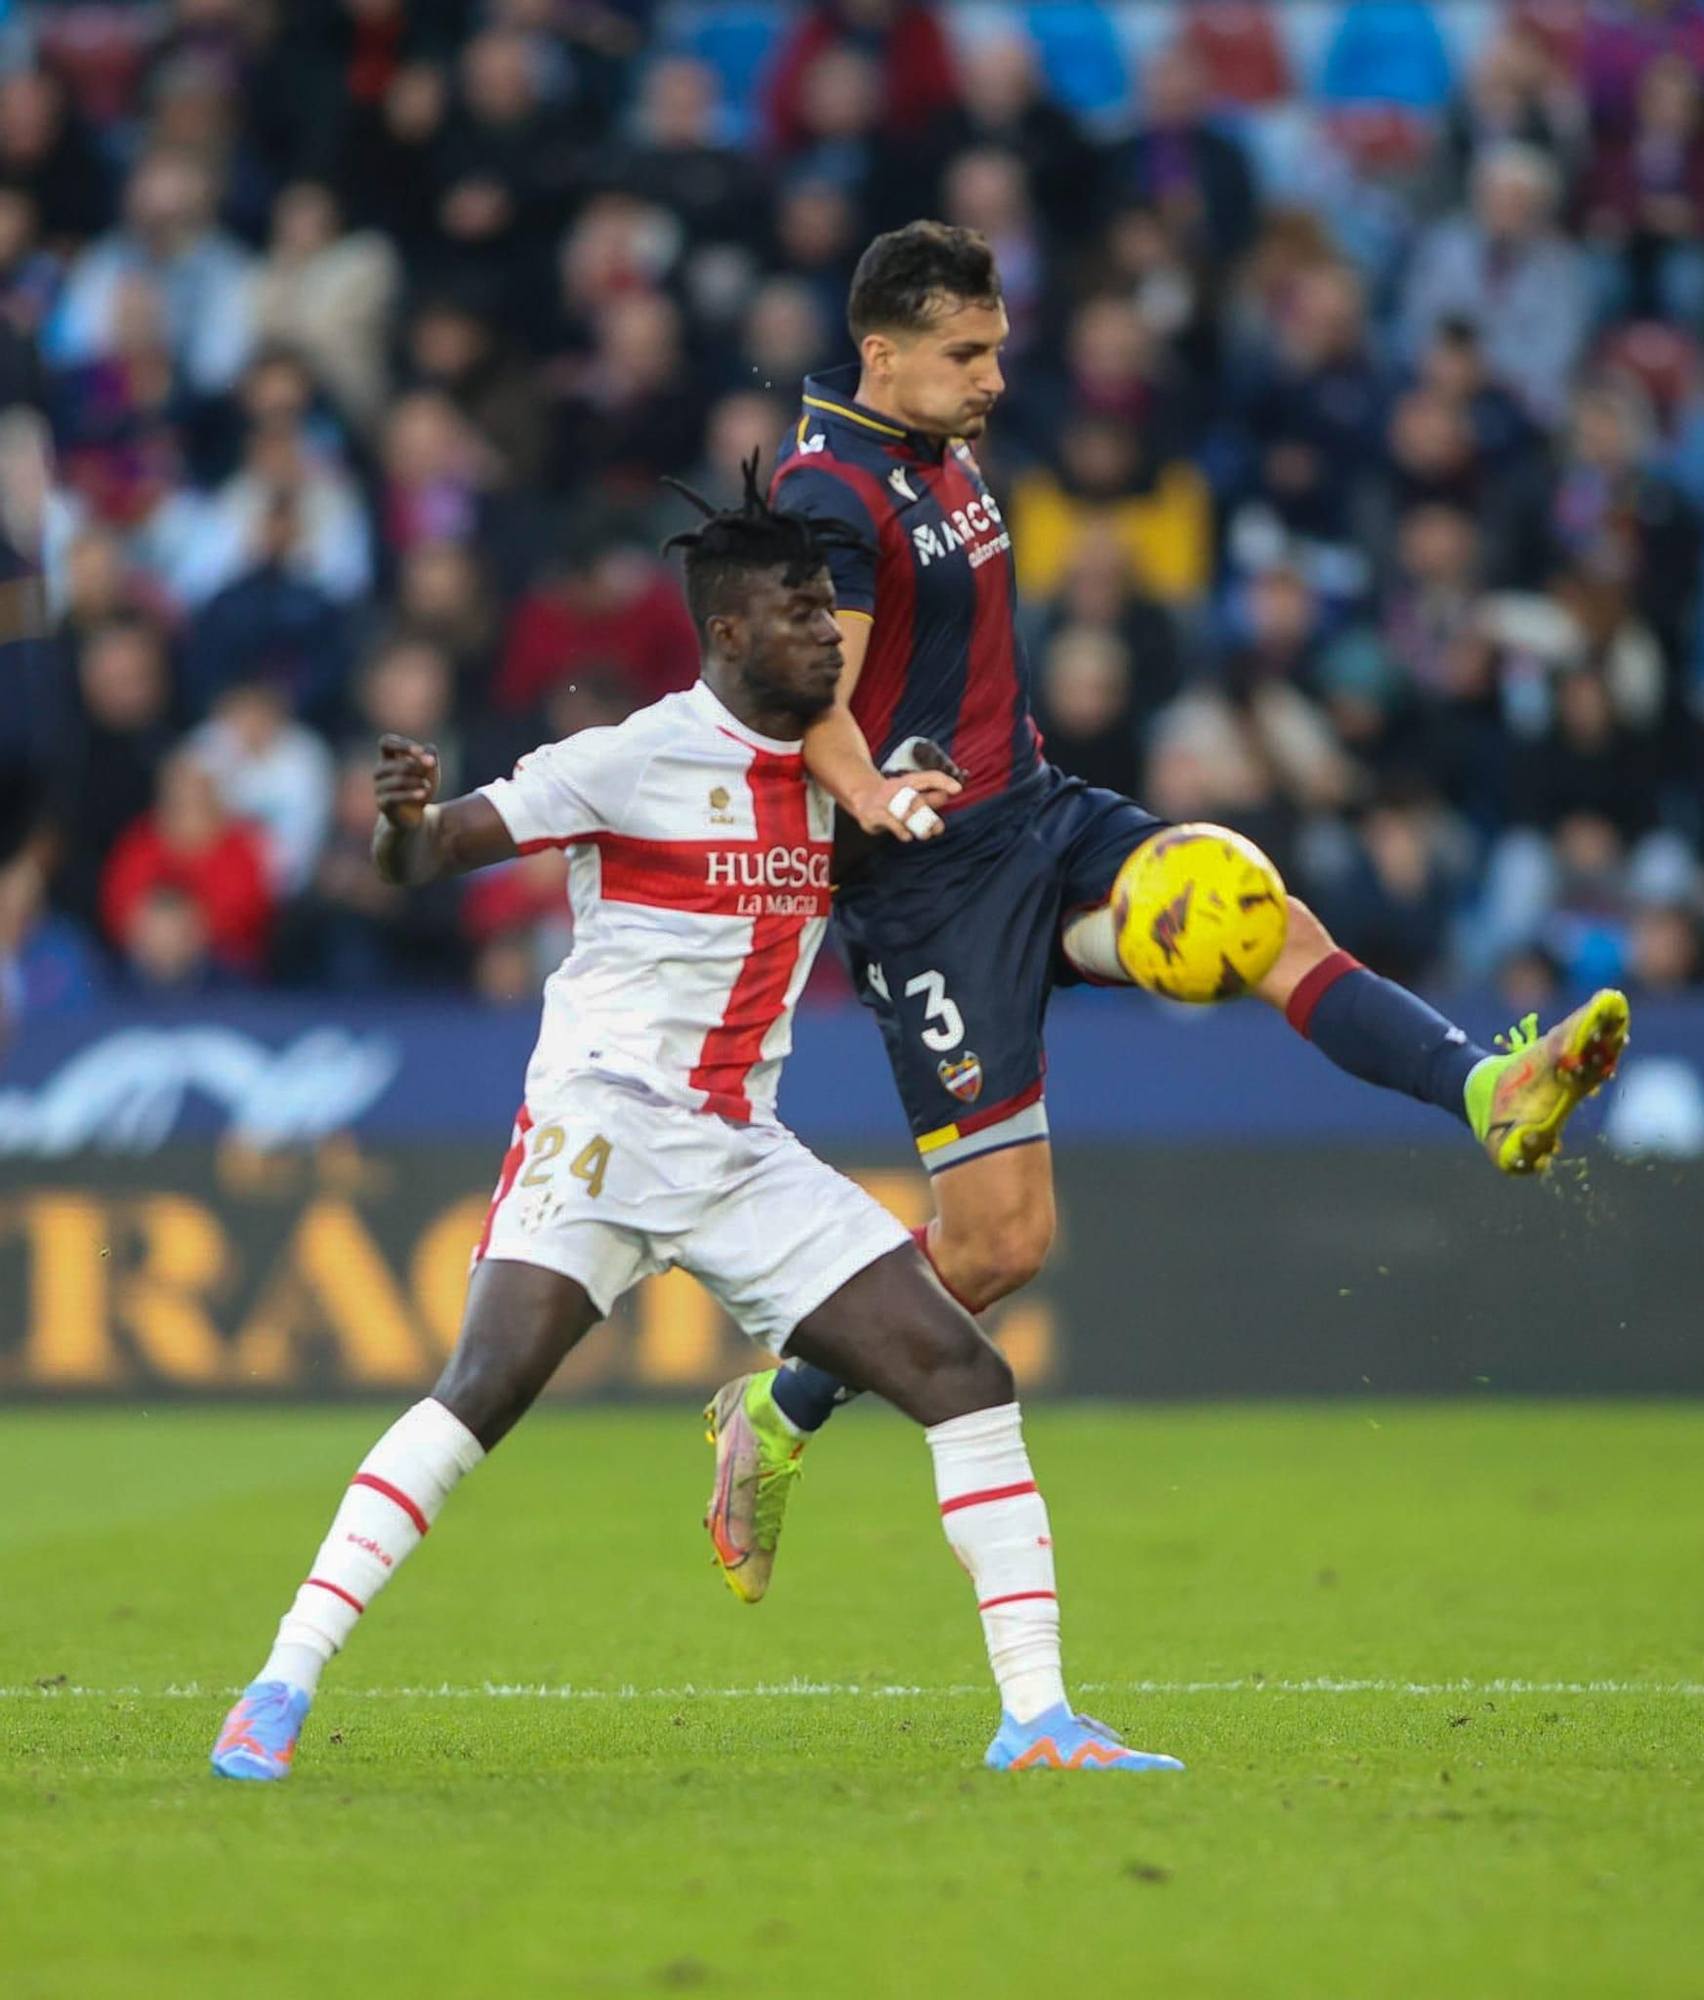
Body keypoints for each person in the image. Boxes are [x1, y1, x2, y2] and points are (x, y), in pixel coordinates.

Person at [708, 222, 1631, 1602]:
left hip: (1029, 809)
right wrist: (875, 798)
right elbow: (815, 702)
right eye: (965, 355)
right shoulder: (827, 490)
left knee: (1247, 910)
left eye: (998, 350)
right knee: (999, 1248)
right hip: (924, 891)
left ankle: (1488, 1088)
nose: (993, 379)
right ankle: (771, 1416)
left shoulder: (932, 446)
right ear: (882, 351)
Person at [209, 469, 1179, 1783]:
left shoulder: (837, 782)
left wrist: (939, 819)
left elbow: (920, 872)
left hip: (739, 1151)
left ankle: (1037, 1720)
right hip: (602, 1129)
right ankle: (277, 1685)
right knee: (480, 1391)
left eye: (832, 615)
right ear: (727, 632)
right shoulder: (630, 757)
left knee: (964, 1377)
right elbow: (426, 856)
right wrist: (397, 824)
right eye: (800, 614)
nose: (830, 636)